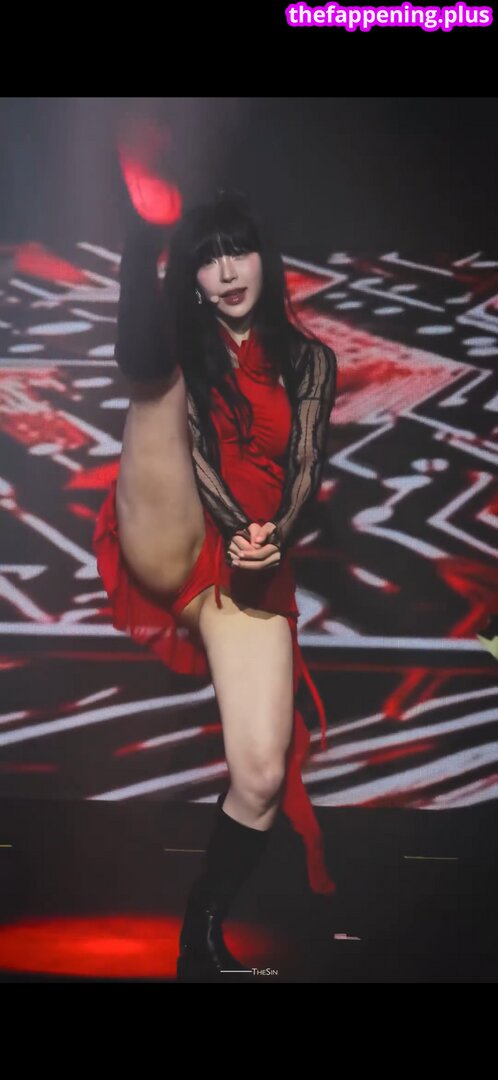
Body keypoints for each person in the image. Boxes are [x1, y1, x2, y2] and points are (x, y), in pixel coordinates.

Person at [92, 189, 338, 982]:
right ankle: (139, 244)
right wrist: (234, 526)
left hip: (254, 565)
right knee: (156, 375)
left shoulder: (310, 361)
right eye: (207, 259)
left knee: (260, 777)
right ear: (191, 276)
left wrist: (271, 539)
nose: (227, 272)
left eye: (239, 252)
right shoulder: (186, 343)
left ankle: (199, 935)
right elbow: (198, 453)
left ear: (267, 259)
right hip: (179, 528)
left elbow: (305, 468)